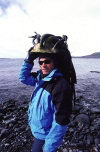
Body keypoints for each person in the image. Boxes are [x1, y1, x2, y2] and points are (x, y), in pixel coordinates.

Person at [19, 33, 74, 152]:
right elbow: (23, 78)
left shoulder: (61, 86)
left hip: (46, 136)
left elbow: (60, 122)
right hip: (38, 131)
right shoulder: (40, 78)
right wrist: (29, 59)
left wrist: (49, 148)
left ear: (55, 63)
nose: (43, 65)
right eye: (41, 62)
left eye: (47, 62)